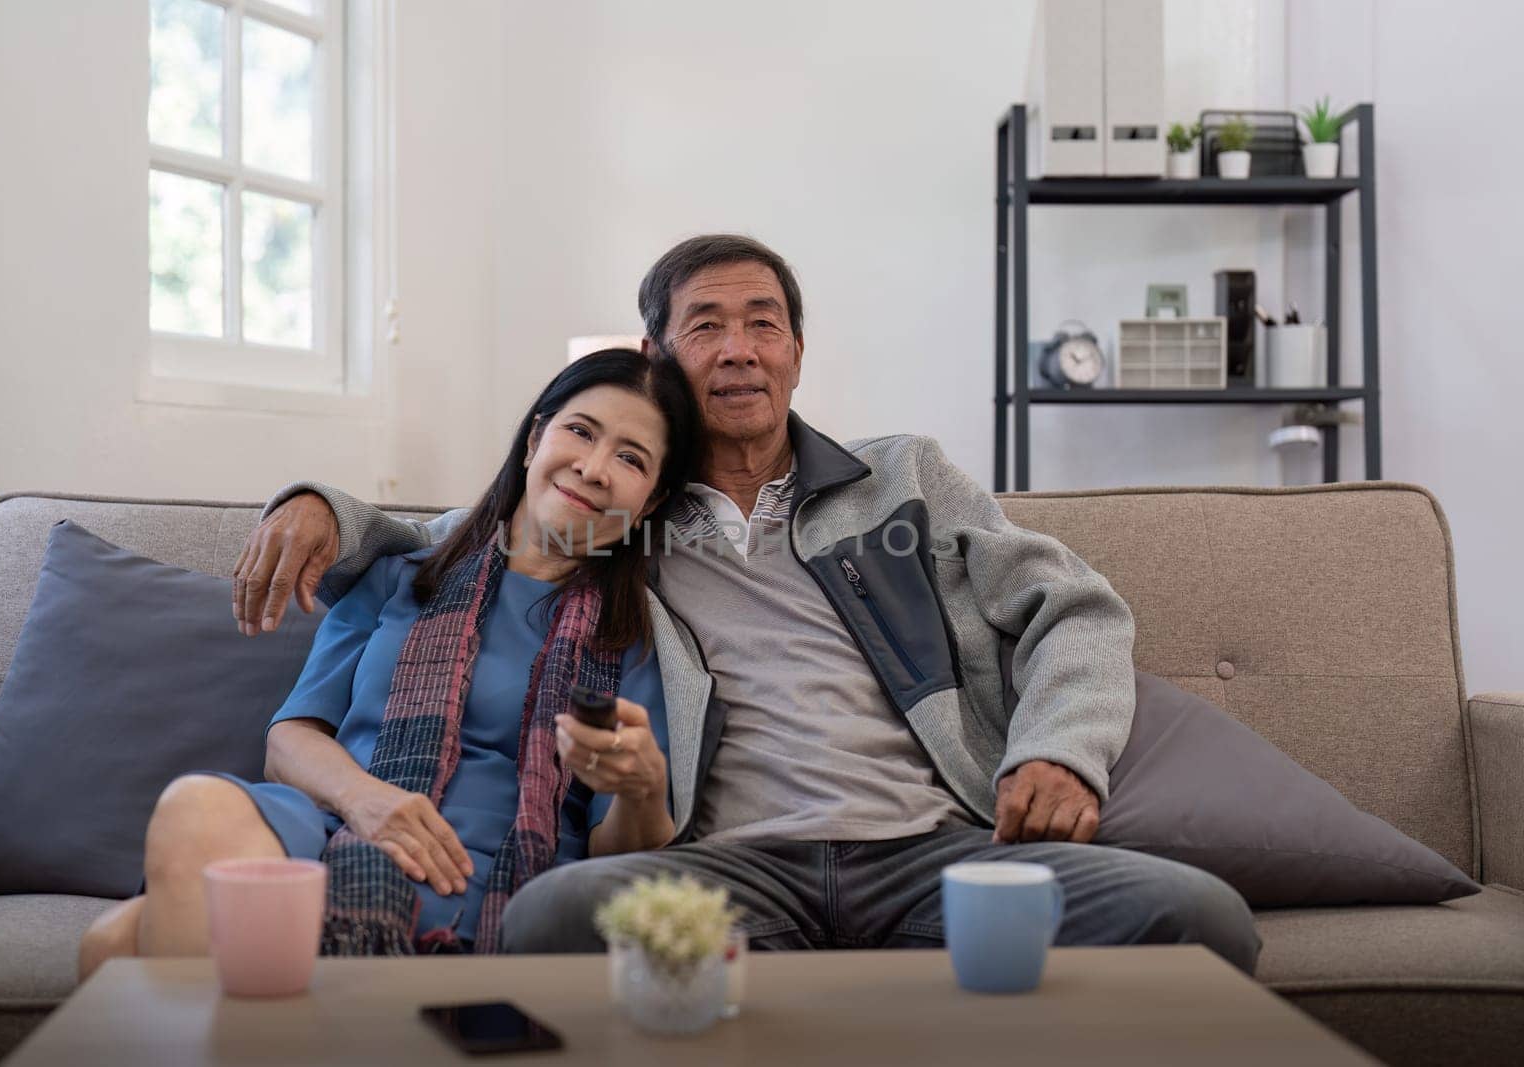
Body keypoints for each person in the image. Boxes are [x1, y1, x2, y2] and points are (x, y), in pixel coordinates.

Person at [233, 235, 1261, 972]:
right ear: (659, 358)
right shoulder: (624, 504)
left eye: (762, 324)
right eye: (705, 326)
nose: (738, 348)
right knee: (551, 919)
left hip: (934, 848)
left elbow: (1073, 607)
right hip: (724, 866)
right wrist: (325, 504)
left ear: (795, 354)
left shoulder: (903, 477)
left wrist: (1056, 748)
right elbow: (475, 532)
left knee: (1199, 916)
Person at [78, 349, 700, 977]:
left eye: (630, 458)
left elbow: (622, 846)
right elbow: (291, 740)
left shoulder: (633, 642)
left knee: (113, 945)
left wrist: (643, 790)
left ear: (648, 503)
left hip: (490, 868)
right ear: (536, 438)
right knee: (197, 806)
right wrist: (367, 801)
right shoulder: (399, 575)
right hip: (334, 826)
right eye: (581, 431)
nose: (593, 468)